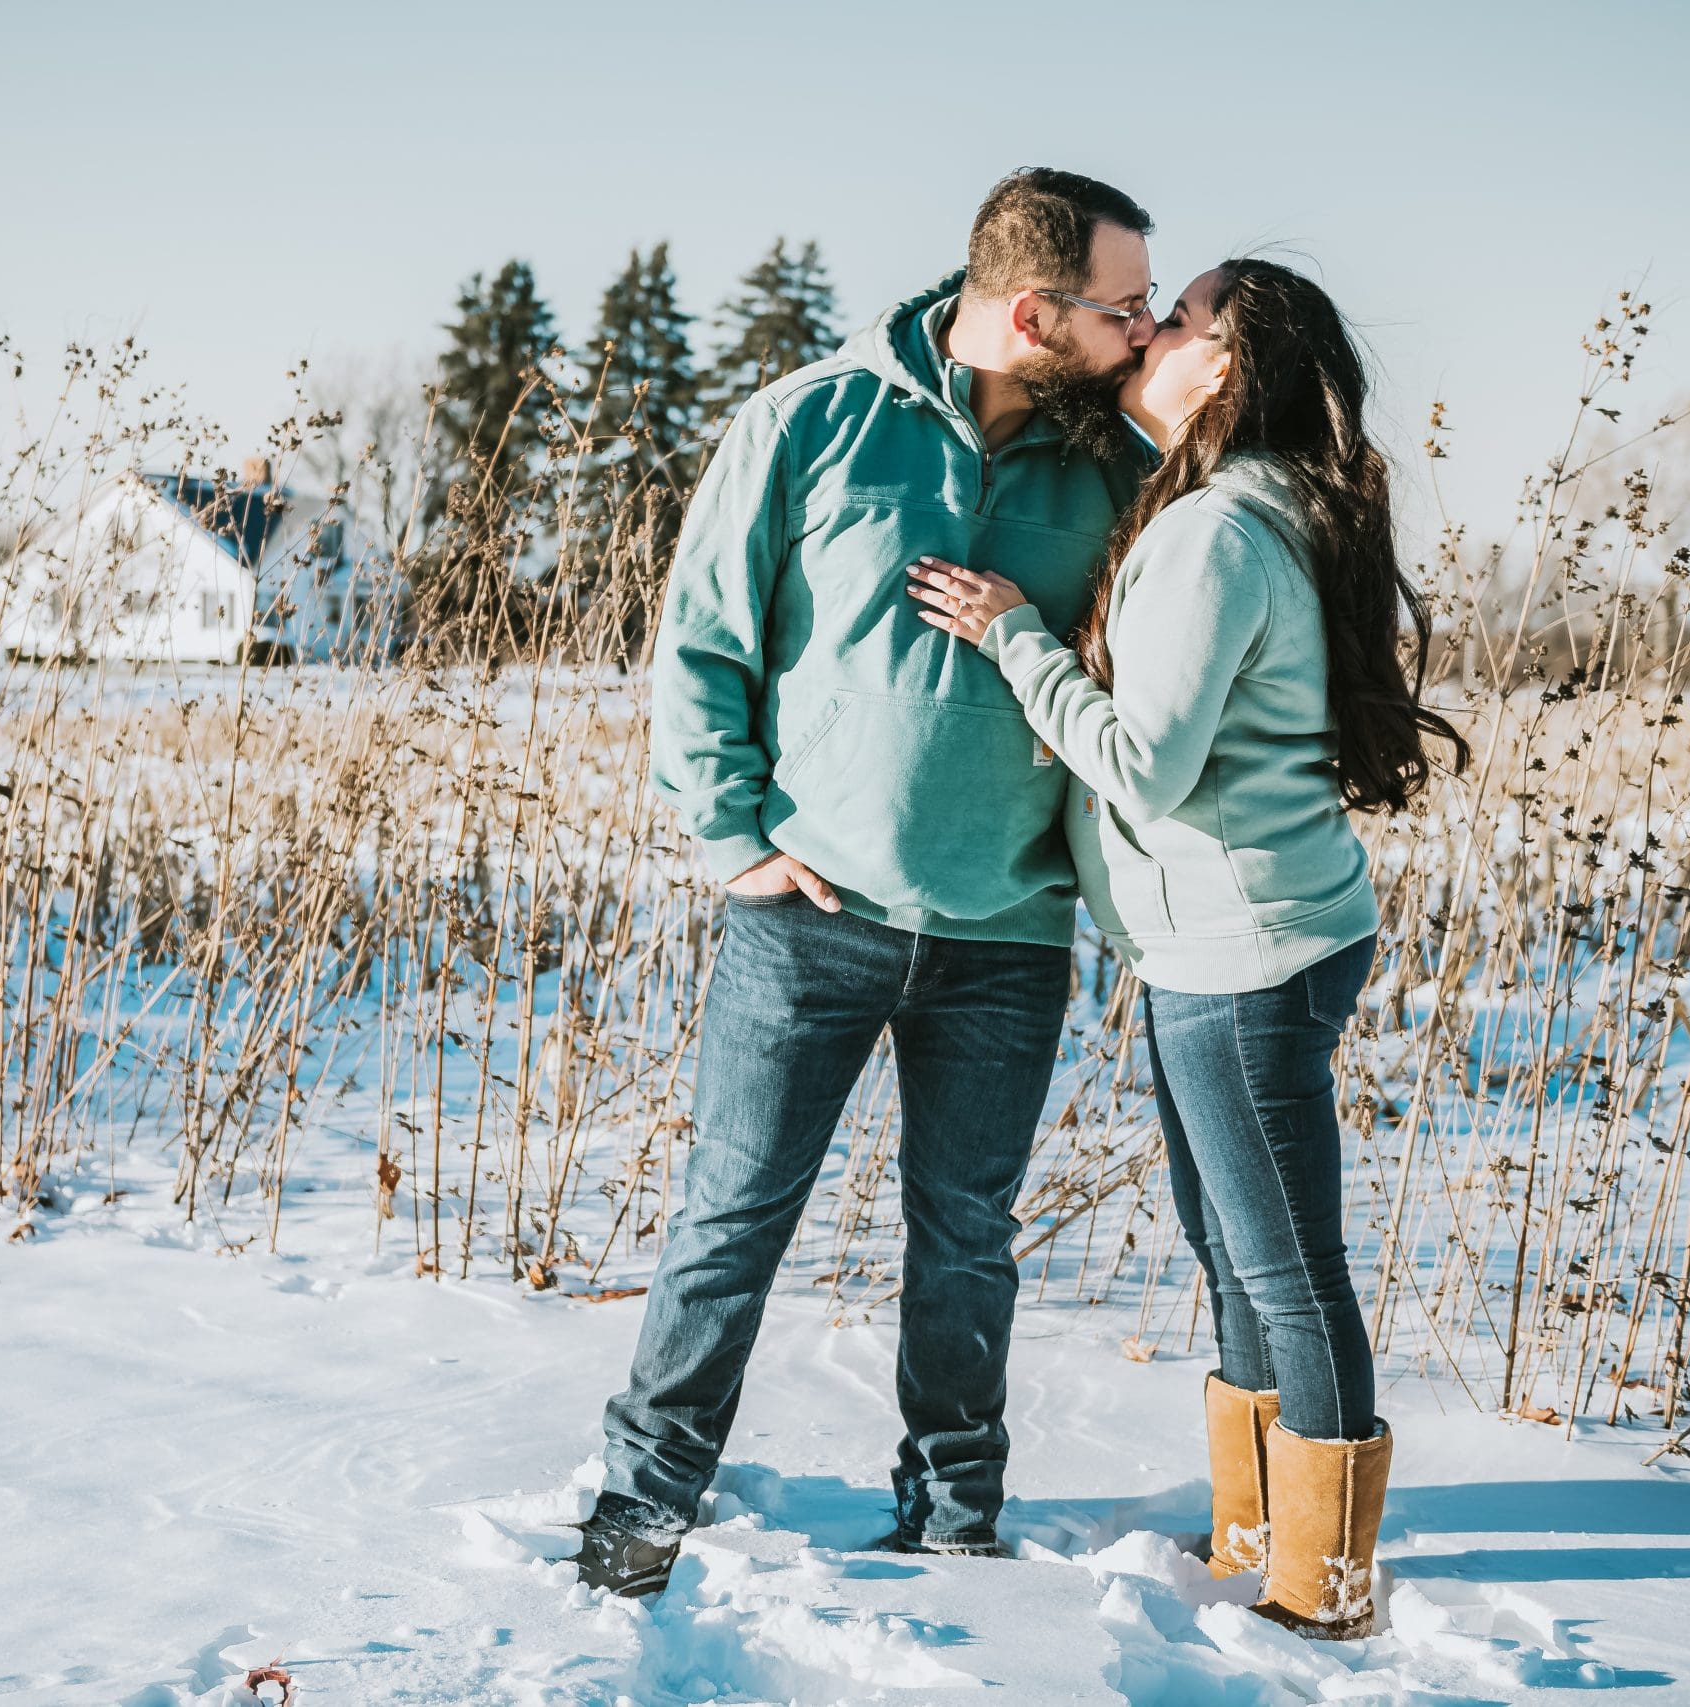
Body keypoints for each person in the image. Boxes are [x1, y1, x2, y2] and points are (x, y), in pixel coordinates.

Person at [572, 168, 1161, 1598]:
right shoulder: (812, 421)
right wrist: (737, 845)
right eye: (1124, 307)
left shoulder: (1119, 471)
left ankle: (955, 1511)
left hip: (1010, 930)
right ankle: (647, 1499)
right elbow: (703, 645)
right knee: (730, 1217)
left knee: (969, 1240)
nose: (1145, 332)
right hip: (808, 919)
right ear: (1034, 313)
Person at [907, 258, 1467, 1638]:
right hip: (1249, 936)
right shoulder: (1249, 508)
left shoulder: (1218, 531)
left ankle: (1322, 1589)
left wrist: (1016, 641)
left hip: (1242, 953)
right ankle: (1260, 1536)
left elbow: (1146, 769)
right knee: (1239, 1256)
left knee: (1281, 1268)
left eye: (1179, 317)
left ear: (1222, 365)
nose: (1148, 330)